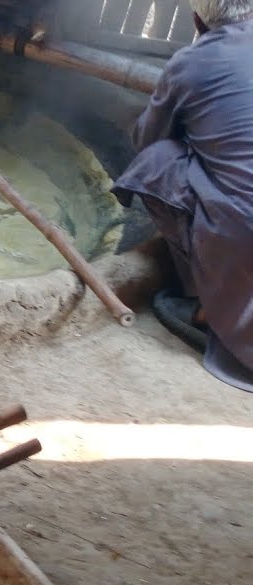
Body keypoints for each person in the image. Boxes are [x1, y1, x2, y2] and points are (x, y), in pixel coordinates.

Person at [113, 0, 253, 392]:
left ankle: (208, 306)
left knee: (158, 162)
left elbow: (148, 140)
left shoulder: (193, 62)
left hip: (246, 233)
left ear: (195, 20)